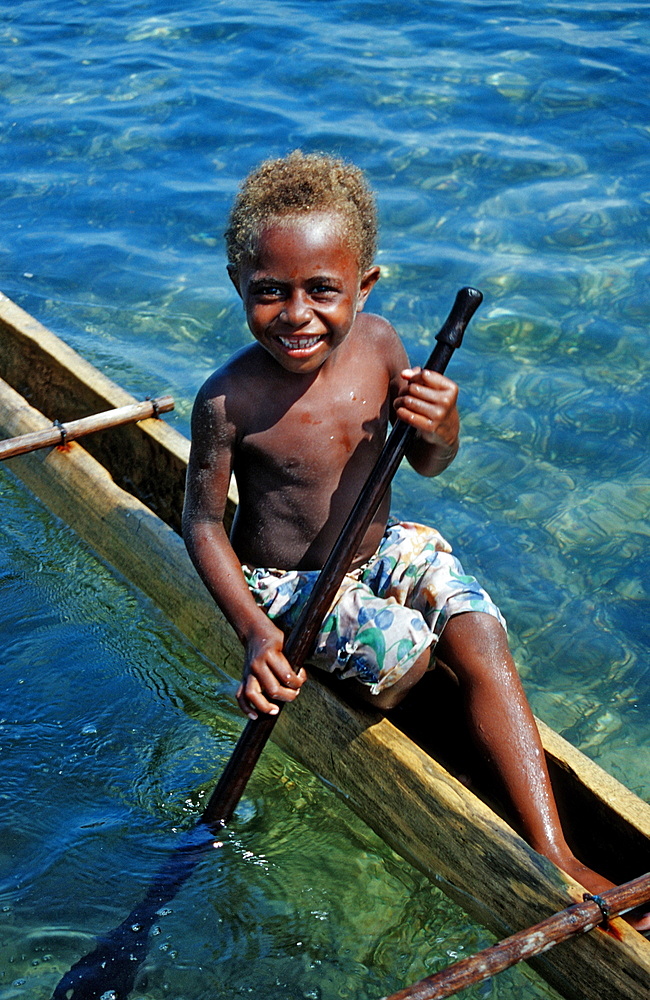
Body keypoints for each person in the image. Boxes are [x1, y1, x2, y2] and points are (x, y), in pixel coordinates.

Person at [182, 149, 643, 913]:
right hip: (285, 586)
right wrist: (255, 635)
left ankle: (553, 848)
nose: (296, 315)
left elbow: (429, 461)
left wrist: (444, 423)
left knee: (478, 626)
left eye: (323, 290)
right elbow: (202, 524)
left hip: (381, 546)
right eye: (268, 292)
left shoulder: (382, 344)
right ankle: (451, 754)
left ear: (364, 285)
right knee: (403, 654)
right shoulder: (228, 400)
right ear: (238, 286)